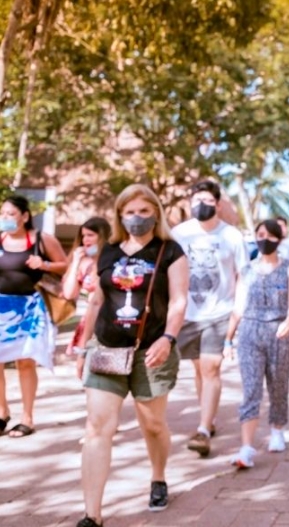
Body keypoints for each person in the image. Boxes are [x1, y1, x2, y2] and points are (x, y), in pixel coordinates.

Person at [73, 184, 188, 527]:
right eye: (130, 212)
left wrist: (168, 338)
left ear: (156, 212)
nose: (137, 218)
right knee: (97, 427)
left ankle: (158, 475)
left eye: (143, 211)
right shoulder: (107, 252)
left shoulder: (170, 251)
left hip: (150, 350)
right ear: (119, 215)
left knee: (152, 424)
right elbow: (95, 300)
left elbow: (180, 300)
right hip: (107, 348)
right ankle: (92, 515)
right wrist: (82, 345)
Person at [172, 180, 249, 457]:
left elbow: (244, 277)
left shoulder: (232, 236)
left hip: (220, 312)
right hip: (188, 313)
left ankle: (203, 429)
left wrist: (237, 314)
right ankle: (209, 417)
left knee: (211, 368)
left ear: (217, 204)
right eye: (196, 200)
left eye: (206, 200)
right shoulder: (180, 234)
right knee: (198, 369)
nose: (200, 205)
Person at [225, 219, 289, 468]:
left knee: (278, 385)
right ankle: (246, 447)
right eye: (260, 234)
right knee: (251, 389)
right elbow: (238, 307)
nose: (264, 239)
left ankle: (277, 429)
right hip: (250, 332)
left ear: (279, 240)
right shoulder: (247, 270)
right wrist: (228, 339)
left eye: (269, 235)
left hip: (280, 334)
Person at [0, 195, 67, 438]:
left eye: (11, 214)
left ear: (25, 216)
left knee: (25, 362)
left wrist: (44, 265)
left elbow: (65, 264)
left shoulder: (41, 239)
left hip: (29, 309)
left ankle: (27, 417)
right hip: (0, 308)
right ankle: (2, 413)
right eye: (3, 213)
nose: (6, 218)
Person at [63, 217, 112, 356]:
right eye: (83, 236)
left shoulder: (112, 261)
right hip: (88, 320)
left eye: (90, 235)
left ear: (102, 236)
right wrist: (75, 262)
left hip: (109, 320)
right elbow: (69, 293)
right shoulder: (84, 264)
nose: (85, 240)